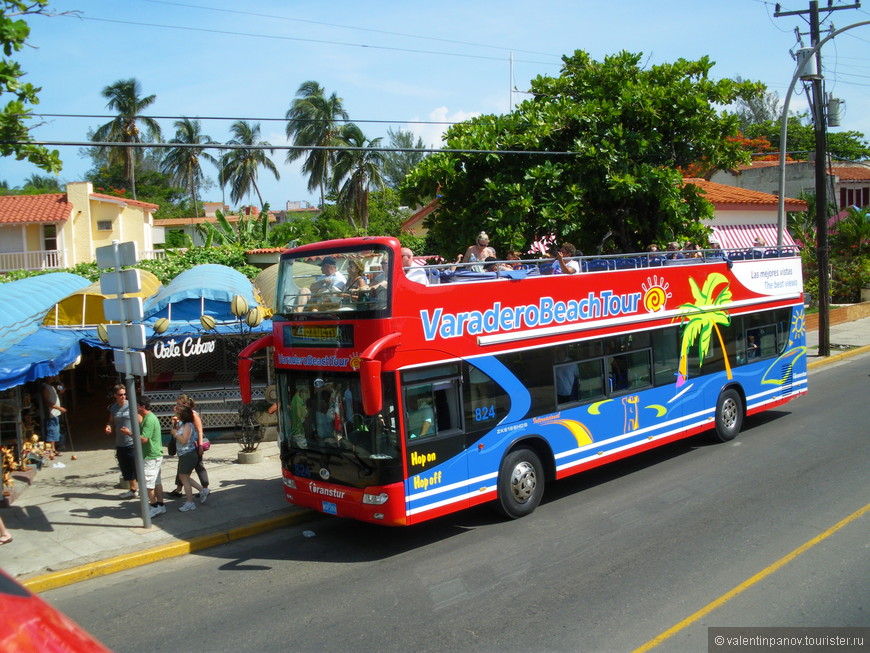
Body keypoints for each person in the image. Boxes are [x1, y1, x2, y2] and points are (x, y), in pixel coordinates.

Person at [168, 394, 209, 501]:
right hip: (184, 449)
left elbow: (200, 431)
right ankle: (179, 489)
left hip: (193, 446)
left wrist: (200, 446)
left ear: (185, 404)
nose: (176, 406)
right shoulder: (183, 416)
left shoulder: (193, 415)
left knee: (197, 468)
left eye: (179, 404)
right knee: (183, 472)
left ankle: (204, 488)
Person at [105, 384, 138, 499]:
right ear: (115, 395)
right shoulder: (114, 408)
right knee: (126, 468)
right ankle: (133, 490)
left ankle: (146, 491)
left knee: (136, 467)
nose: (123, 397)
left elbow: (140, 420)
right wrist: (109, 426)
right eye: (120, 395)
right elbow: (111, 421)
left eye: (124, 394)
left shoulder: (132, 405)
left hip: (132, 442)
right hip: (120, 442)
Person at [137, 396, 165, 518]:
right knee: (157, 481)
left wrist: (130, 434)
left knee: (148, 484)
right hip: (155, 455)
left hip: (150, 456)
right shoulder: (149, 417)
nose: (136, 407)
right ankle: (161, 504)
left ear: (142, 406)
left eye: (137, 405)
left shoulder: (149, 419)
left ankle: (154, 506)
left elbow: (144, 439)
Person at [171, 406, 200, 512]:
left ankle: (190, 502)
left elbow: (184, 441)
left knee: (184, 479)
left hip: (187, 454)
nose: (177, 415)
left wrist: (175, 434)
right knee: (185, 477)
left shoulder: (188, 425)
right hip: (184, 454)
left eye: (179, 413)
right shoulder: (184, 424)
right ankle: (202, 491)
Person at [41, 376, 66, 458]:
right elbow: (47, 402)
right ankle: (51, 450)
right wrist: (59, 408)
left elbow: (62, 391)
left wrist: (60, 383)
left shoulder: (52, 386)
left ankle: (54, 449)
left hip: (55, 413)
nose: (53, 378)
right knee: (51, 431)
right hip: (51, 413)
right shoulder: (45, 387)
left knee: (55, 431)